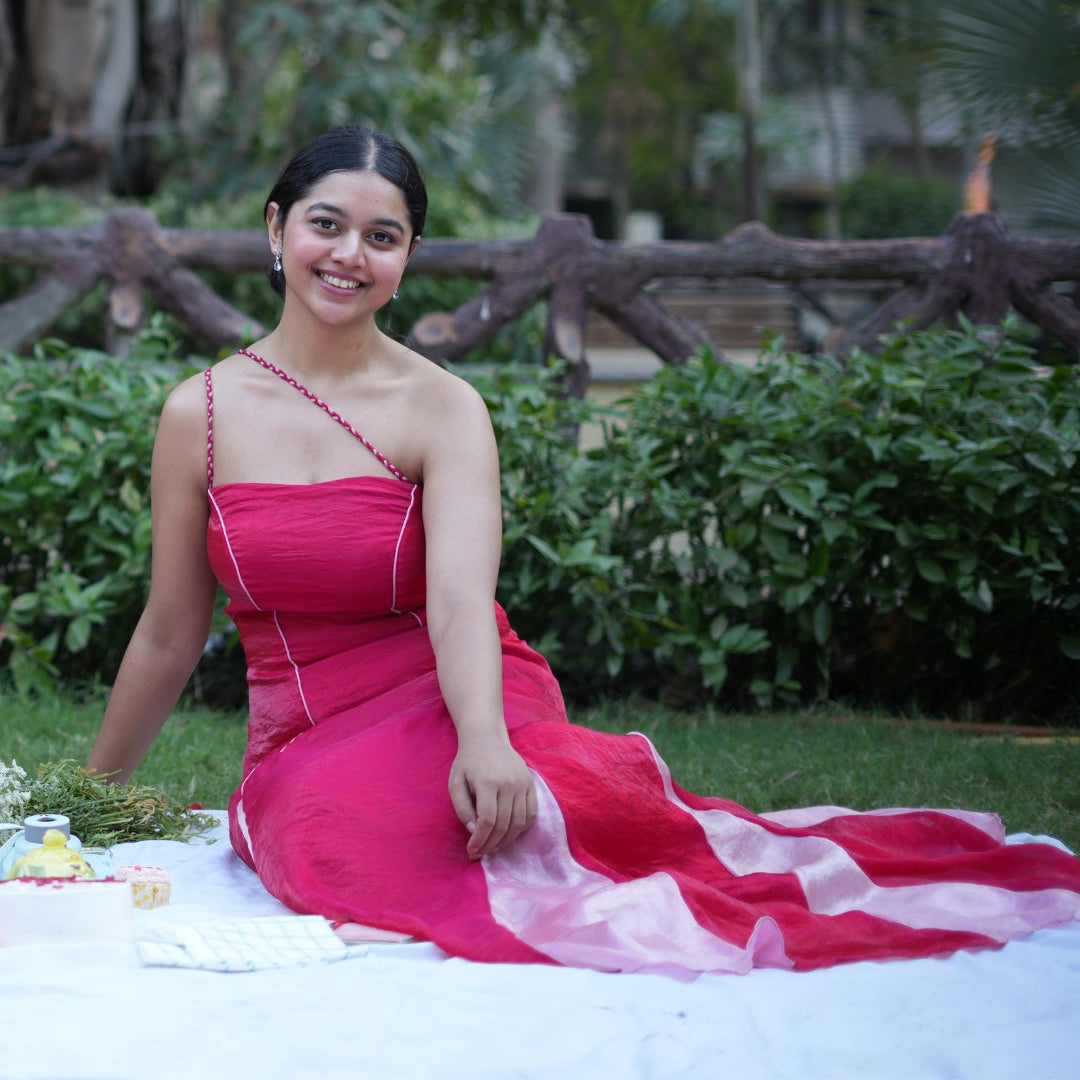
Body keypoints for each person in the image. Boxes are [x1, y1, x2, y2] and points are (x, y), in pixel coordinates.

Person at [88, 126, 1080, 976]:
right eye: (327, 224)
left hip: (457, 687)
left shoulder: (443, 408)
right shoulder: (202, 416)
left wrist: (485, 741)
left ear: (409, 255)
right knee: (337, 838)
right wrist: (84, 809)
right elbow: (172, 632)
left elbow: (459, 604)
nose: (350, 255)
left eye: (381, 237)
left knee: (555, 818)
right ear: (276, 227)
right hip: (307, 737)